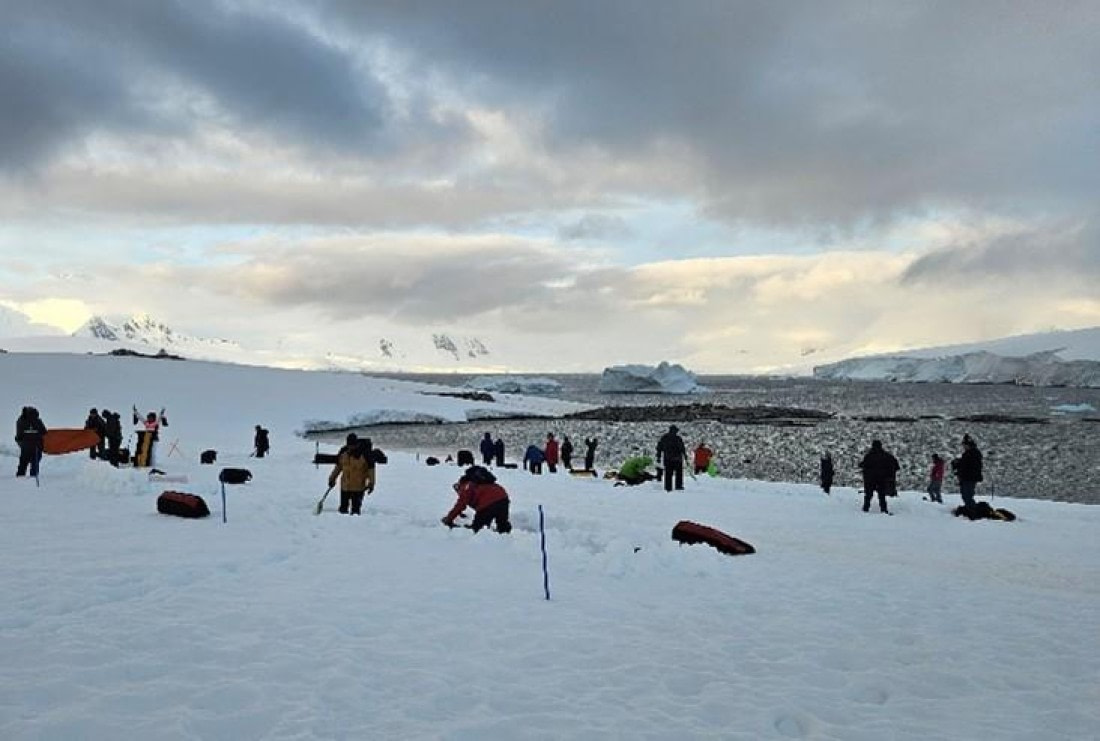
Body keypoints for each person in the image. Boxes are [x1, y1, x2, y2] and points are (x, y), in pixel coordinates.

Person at [441, 467, 512, 533]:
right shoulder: (480, 483)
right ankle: (507, 537)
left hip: (488, 504)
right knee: (502, 525)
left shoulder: (465, 487)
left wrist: (449, 519)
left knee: (478, 530)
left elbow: (461, 504)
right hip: (503, 499)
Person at [328, 433, 375, 515]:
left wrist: (371, 483)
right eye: (349, 445)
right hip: (345, 487)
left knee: (355, 511)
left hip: (358, 488)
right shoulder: (343, 453)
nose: (351, 447)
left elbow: (371, 470)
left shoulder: (364, 454)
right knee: (343, 510)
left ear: (356, 444)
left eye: (353, 445)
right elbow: (338, 467)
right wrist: (332, 478)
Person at [859, 439, 898, 515]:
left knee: (868, 495)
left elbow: (863, 465)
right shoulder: (887, 456)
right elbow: (896, 466)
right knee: (882, 495)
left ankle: (865, 508)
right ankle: (883, 509)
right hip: (882, 479)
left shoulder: (869, 456)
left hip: (870, 479)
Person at [951, 436, 983, 510]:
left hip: (969, 478)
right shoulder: (970, 453)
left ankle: (972, 510)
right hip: (966, 478)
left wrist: (958, 465)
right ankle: (970, 508)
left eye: (965, 445)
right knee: (965, 495)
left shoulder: (972, 453)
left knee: (967, 495)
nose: (964, 447)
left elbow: (968, 465)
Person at [15, 406, 47, 477]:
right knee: (35, 464)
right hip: (36, 447)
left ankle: (19, 479)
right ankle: (33, 477)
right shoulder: (38, 421)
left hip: (25, 447)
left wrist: (21, 443)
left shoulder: (20, 421)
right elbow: (44, 432)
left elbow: (19, 435)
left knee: (23, 464)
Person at [655, 424, 687, 492]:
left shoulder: (664, 438)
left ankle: (668, 487)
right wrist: (685, 456)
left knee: (668, 474)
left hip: (668, 459)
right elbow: (682, 448)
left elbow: (659, 448)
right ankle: (678, 486)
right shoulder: (678, 438)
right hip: (677, 459)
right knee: (679, 474)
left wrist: (658, 456)